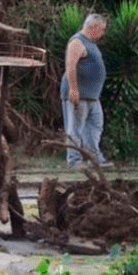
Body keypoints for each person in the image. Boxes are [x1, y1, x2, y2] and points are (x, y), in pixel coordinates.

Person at [60, 13, 113, 169]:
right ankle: (74, 161)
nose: (103, 33)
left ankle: (94, 159)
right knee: (75, 128)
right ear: (94, 27)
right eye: (102, 29)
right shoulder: (77, 42)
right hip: (79, 95)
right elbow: (70, 66)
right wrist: (74, 89)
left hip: (92, 96)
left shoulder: (91, 44)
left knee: (95, 126)